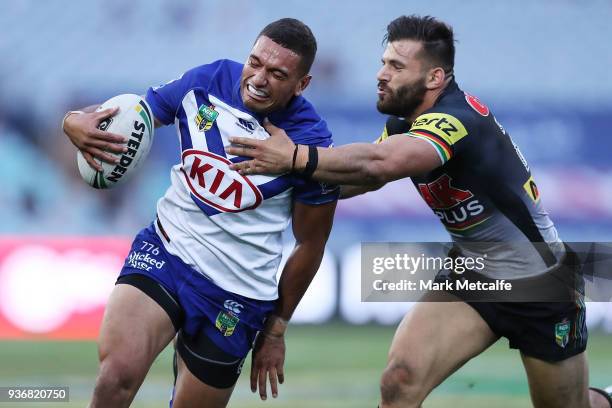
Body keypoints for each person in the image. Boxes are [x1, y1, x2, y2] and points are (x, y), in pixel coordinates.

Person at [226, 15, 612, 408]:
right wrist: (274, 189)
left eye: (396, 67)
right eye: (383, 63)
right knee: (400, 381)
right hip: (473, 272)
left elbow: (378, 165)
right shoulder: (404, 124)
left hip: (539, 282)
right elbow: (365, 179)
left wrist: (292, 157)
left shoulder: (456, 122)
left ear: (434, 78)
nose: (380, 75)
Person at [63, 18, 338, 408]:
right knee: (114, 378)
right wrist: (73, 120)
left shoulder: (310, 142)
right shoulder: (207, 80)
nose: (258, 79)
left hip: (237, 291)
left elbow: (311, 243)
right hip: (167, 253)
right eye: (255, 62)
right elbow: (134, 115)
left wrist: (275, 331)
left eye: (277, 74)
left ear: (302, 84)